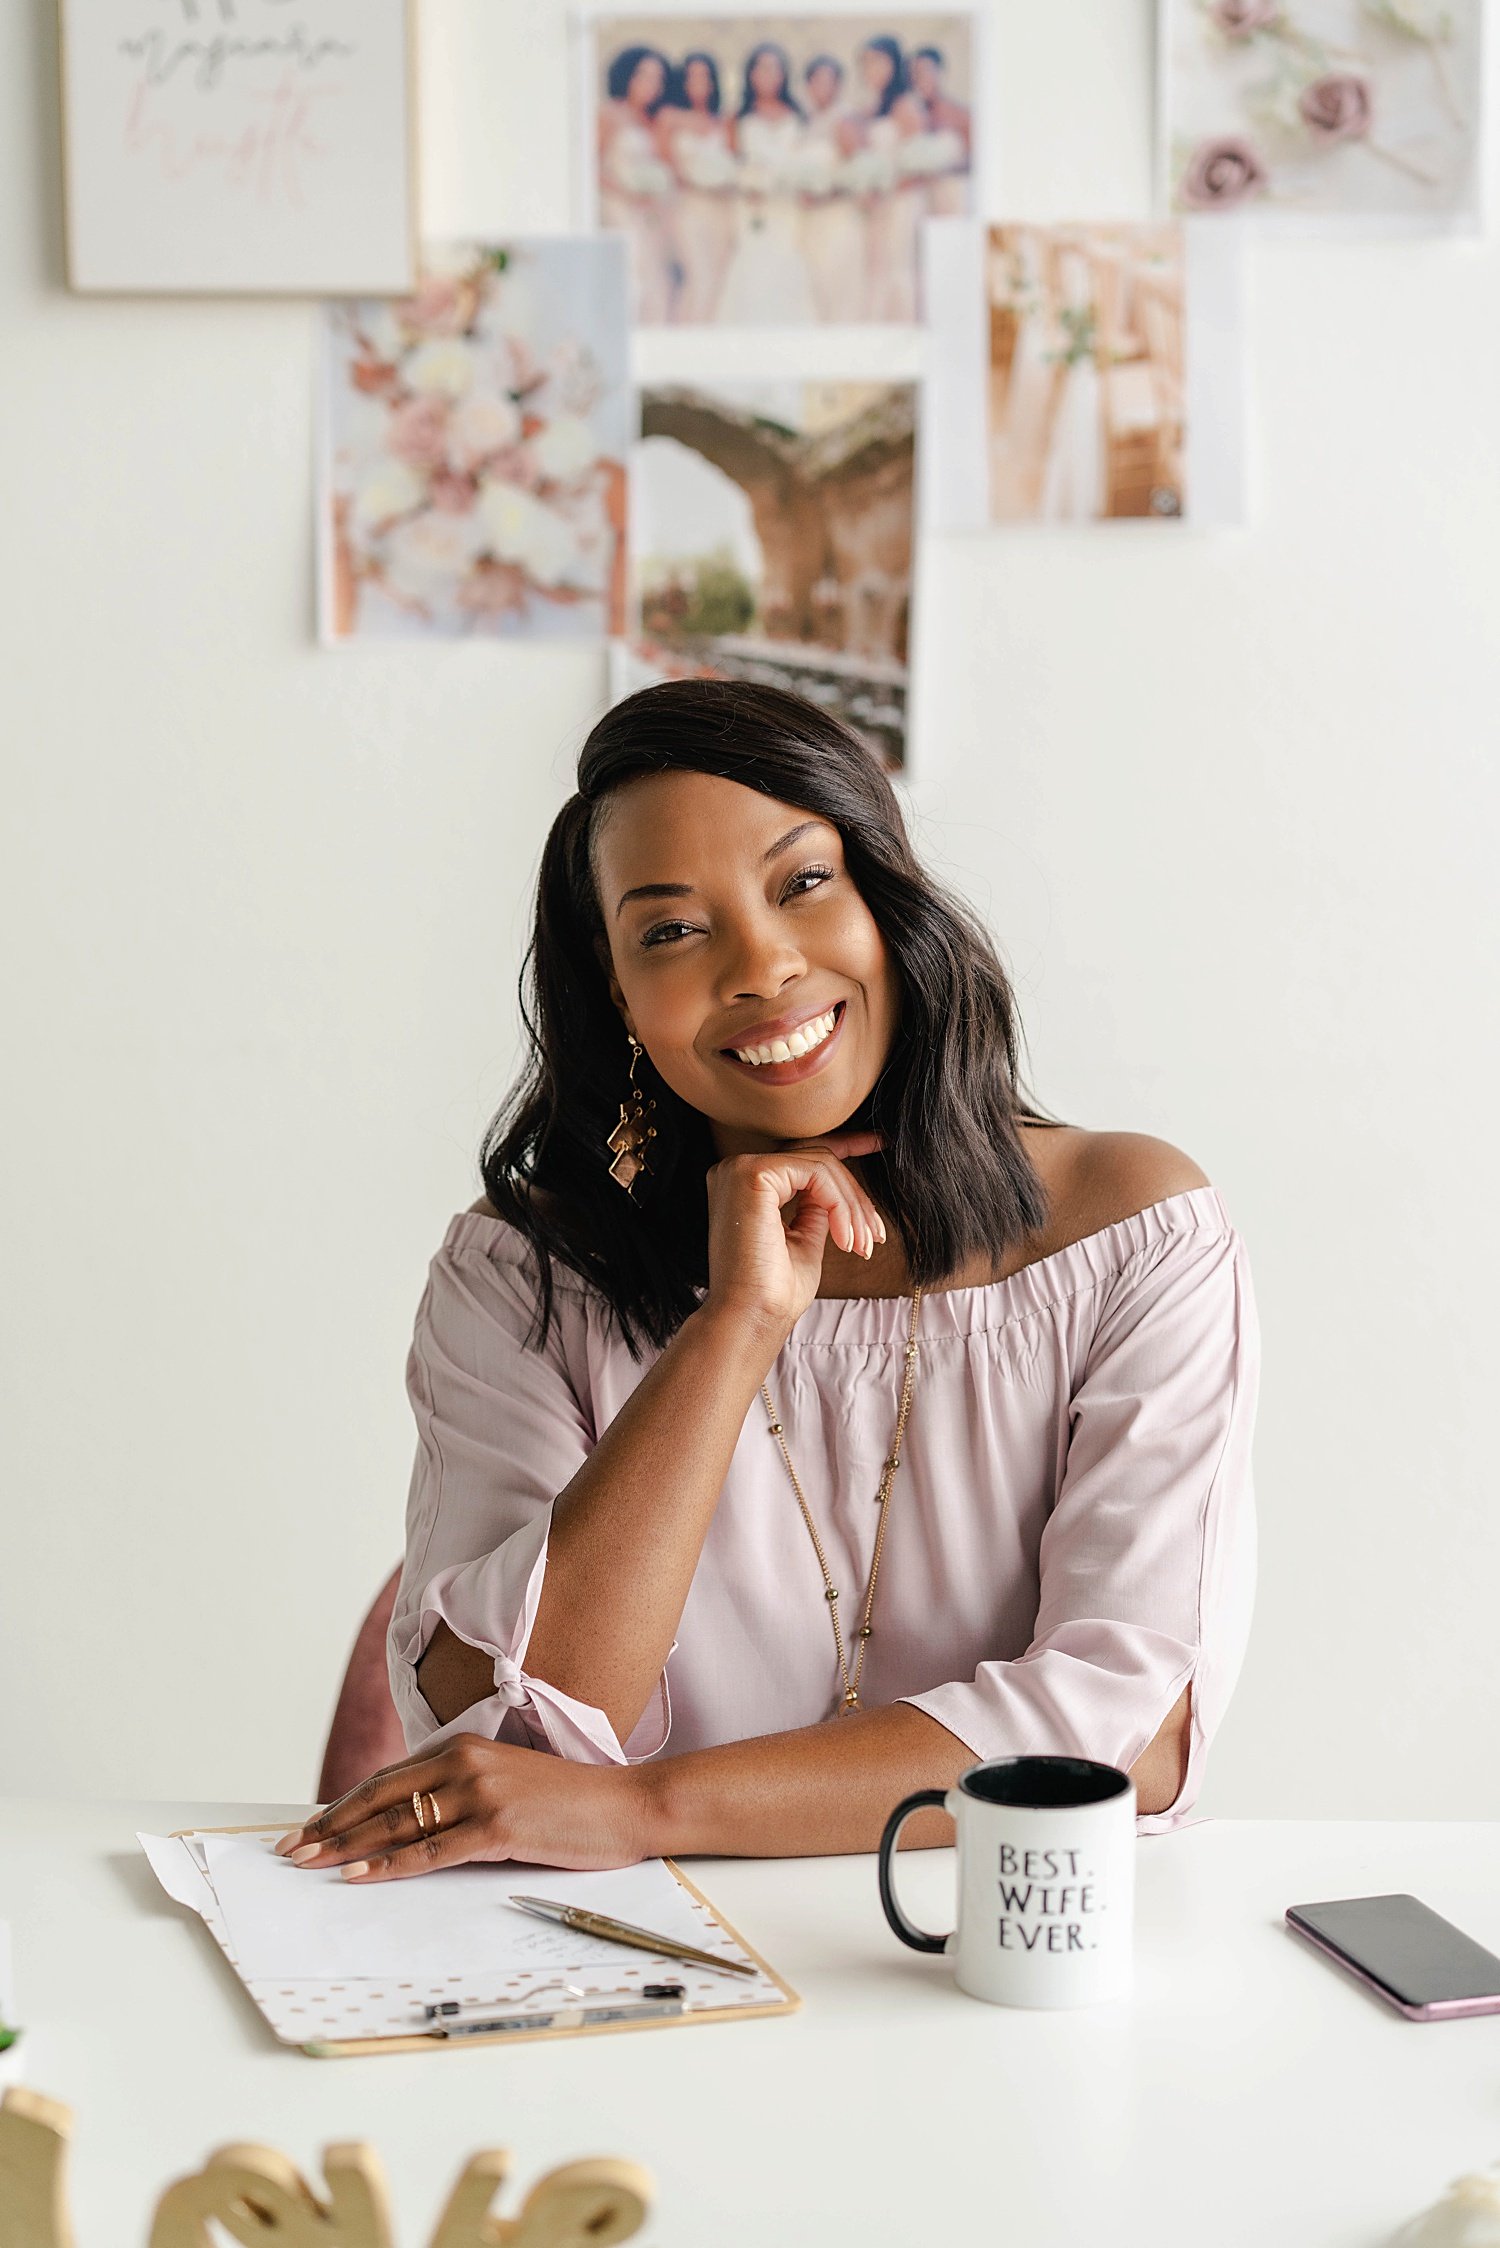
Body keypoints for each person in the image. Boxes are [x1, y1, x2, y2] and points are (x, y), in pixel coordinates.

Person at [273, 679, 1259, 1884]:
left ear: (888, 898)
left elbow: (1128, 1730)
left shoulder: (1129, 1235)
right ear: (621, 987)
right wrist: (735, 1328)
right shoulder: (519, 1276)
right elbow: (522, 1740)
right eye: (673, 930)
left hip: (1004, 1968)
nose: (762, 965)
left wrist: (644, 1809)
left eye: (802, 883)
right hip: (633, 1979)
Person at [717, 42, 817, 325]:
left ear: (784, 73)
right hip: (753, 205)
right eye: (761, 68)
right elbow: (731, 163)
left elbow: (805, 156)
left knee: (788, 257)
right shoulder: (737, 117)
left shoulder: (798, 114)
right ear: (750, 74)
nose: (768, 74)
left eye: (774, 68)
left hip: (788, 204)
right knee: (754, 260)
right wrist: (748, 182)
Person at [848, 35, 927, 320]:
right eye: (866, 63)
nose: (871, 69)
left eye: (878, 61)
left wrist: (886, 190)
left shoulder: (907, 105)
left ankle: (903, 326)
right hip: (877, 202)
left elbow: (917, 164)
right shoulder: (871, 108)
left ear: (894, 64)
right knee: (876, 266)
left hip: (903, 200)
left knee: (899, 266)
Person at [656, 52, 738, 324]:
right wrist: (693, 178)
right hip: (687, 207)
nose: (698, 82)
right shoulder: (669, 117)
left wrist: (720, 179)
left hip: (721, 209)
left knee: (717, 278)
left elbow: (733, 163)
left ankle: (707, 346)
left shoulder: (723, 122)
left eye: (704, 76)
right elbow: (665, 164)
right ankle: (683, 346)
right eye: (692, 76)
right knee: (697, 276)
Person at [598, 45, 676, 324]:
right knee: (632, 274)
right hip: (618, 207)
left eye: (657, 79)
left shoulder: (652, 120)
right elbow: (592, 167)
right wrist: (628, 193)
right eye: (643, 76)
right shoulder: (608, 114)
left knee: (656, 278)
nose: (650, 85)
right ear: (627, 75)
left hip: (648, 211)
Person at [797, 54, 866, 323]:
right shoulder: (810, 122)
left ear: (838, 85)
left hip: (837, 217)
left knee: (839, 286)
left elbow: (858, 177)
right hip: (812, 220)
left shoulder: (845, 120)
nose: (822, 87)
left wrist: (824, 194)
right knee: (817, 287)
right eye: (816, 81)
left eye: (829, 81)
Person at [907, 44, 973, 218]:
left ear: (940, 72)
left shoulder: (961, 114)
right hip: (920, 202)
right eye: (914, 74)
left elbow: (975, 159)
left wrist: (944, 169)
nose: (919, 78)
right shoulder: (913, 116)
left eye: (925, 71)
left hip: (953, 198)